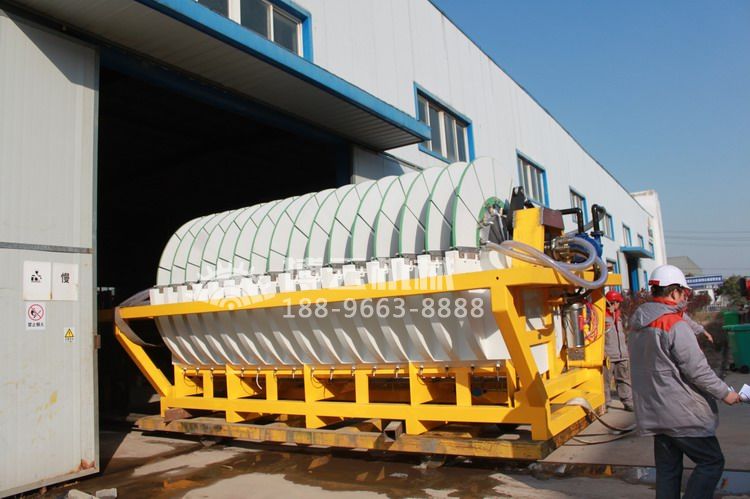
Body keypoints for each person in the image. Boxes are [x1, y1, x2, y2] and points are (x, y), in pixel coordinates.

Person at [628, 264, 740, 499]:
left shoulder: (639, 323)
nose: (685, 298)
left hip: (656, 413)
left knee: (668, 471)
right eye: (683, 293)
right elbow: (697, 370)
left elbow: (679, 316)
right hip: (682, 414)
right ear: (674, 292)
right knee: (711, 462)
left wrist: (698, 329)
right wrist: (725, 393)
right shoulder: (673, 325)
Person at [603, 290, 633, 411]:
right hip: (608, 355)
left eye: (617, 302)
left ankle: (628, 402)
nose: (617, 305)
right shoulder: (602, 317)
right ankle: (605, 403)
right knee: (605, 381)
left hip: (622, 355)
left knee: (624, 380)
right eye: (615, 302)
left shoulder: (621, 317)